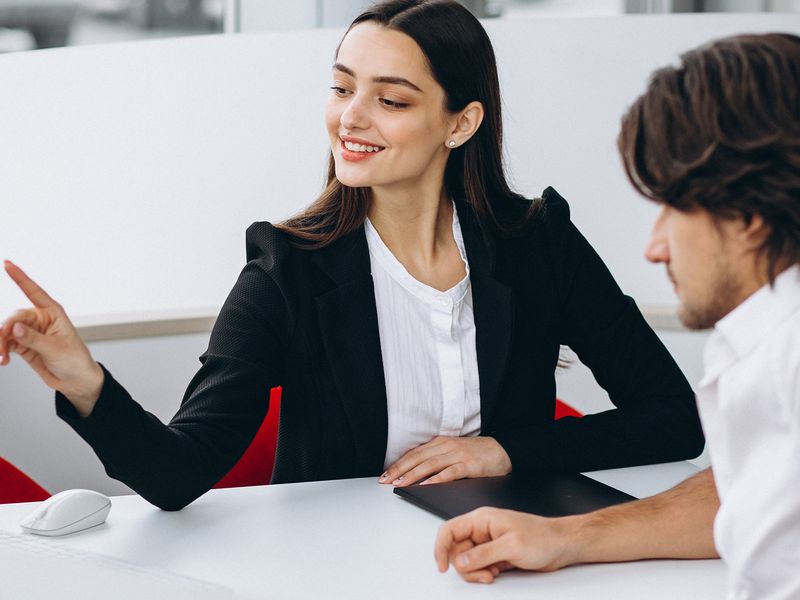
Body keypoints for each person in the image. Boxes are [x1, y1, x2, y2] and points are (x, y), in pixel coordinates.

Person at [0, 0, 702, 512]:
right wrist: (82, 381)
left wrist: (505, 450)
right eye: (341, 88)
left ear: (461, 123)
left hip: (513, 551)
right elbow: (178, 473)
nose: (351, 118)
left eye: (390, 99)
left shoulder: (538, 243)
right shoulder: (286, 270)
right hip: (342, 571)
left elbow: (673, 417)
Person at [434, 32, 800, 599]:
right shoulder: (761, 343)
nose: (655, 247)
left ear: (749, 215)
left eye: (673, 208)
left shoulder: (783, 360)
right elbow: (746, 490)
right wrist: (567, 537)